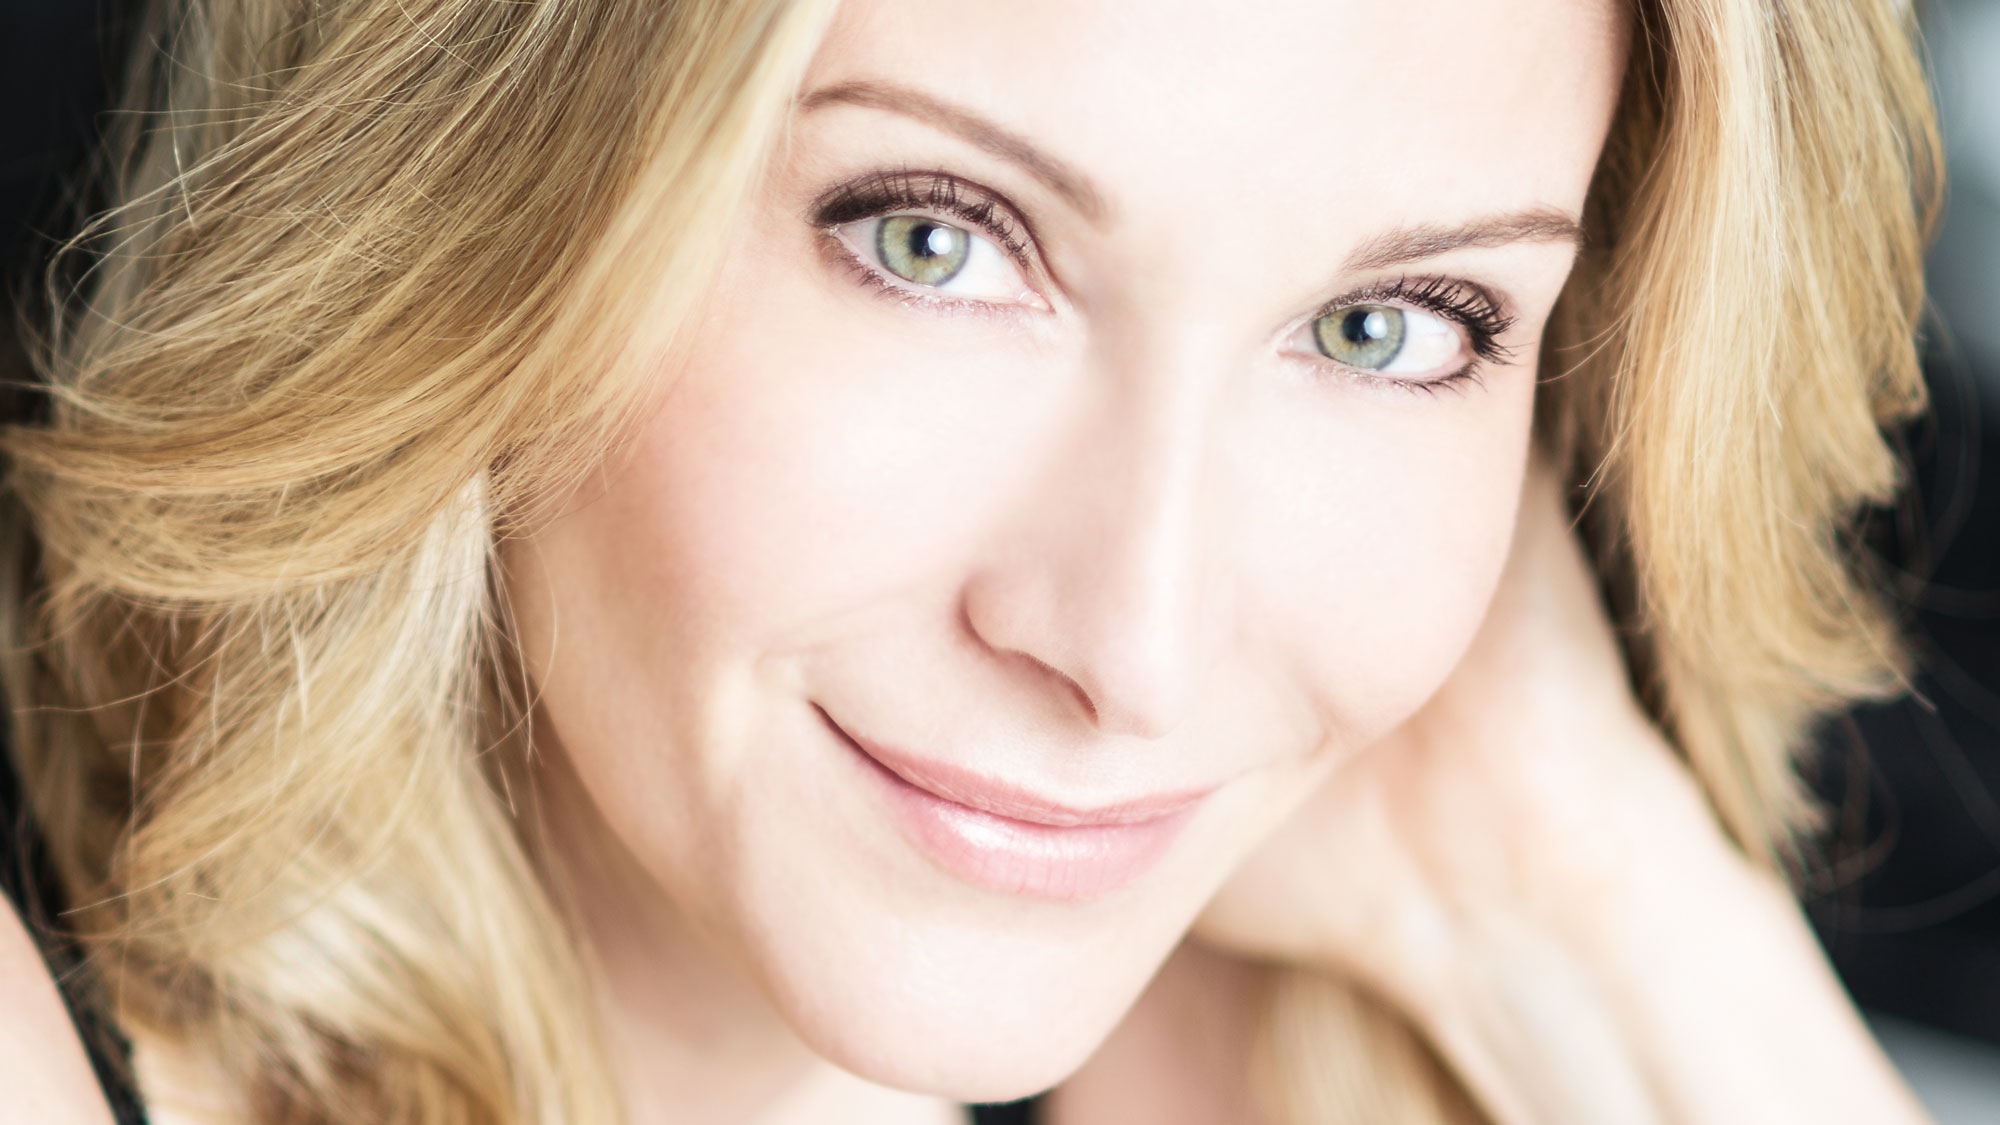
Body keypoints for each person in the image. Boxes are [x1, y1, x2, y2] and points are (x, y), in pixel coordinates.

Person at [0, 0, 1943, 1121]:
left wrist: (1564, 892)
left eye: (1390, 328)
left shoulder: (1241, 1045)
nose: (1137, 646)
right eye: (931, 239)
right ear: (493, 198)